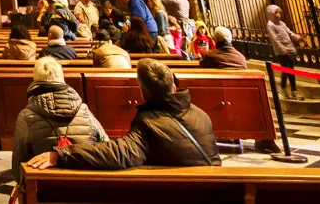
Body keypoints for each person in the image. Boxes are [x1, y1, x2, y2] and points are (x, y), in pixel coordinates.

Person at [26, 59, 221, 171]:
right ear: (174, 87)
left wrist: (61, 155)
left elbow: (118, 153)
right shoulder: (201, 115)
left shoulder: (148, 123)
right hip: (215, 190)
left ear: (143, 93)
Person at [12, 56, 107, 185]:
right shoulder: (85, 111)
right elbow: (105, 148)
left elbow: (18, 166)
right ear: (62, 78)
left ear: (35, 80)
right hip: (87, 186)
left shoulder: (25, 116)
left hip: (45, 188)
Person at [266, 5, 301, 96]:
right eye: (276, 13)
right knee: (287, 70)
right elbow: (275, 39)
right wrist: (283, 50)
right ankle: (289, 88)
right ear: (272, 13)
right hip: (281, 52)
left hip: (289, 49)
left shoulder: (282, 23)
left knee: (290, 70)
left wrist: (297, 37)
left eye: (279, 12)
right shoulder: (270, 25)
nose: (278, 14)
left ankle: (290, 89)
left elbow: (289, 33)